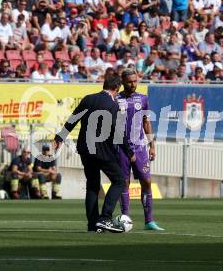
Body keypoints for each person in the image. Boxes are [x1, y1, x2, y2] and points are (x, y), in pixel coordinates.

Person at [53, 74, 135, 233]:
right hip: (102, 151)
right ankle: (105, 218)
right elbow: (119, 134)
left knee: (92, 186)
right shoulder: (113, 106)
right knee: (119, 180)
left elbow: (73, 119)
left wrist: (59, 137)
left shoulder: (88, 99)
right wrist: (130, 152)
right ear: (117, 89)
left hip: (85, 150)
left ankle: (92, 224)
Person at [118, 69, 164, 231]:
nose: (133, 84)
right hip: (120, 148)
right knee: (124, 183)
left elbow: (147, 123)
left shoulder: (143, 99)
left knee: (147, 181)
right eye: (130, 81)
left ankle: (149, 221)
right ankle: (125, 217)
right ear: (123, 81)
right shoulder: (116, 99)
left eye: (135, 81)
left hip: (139, 147)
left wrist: (152, 145)